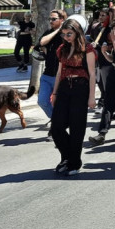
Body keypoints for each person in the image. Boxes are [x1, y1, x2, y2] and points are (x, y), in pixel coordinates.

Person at [50, 19, 97, 176]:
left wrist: (92, 97)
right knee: (56, 127)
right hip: (64, 87)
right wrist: (55, 92)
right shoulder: (62, 48)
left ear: (77, 33)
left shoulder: (87, 49)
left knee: (77, 127)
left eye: (69, 34)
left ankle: (74, 162)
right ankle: (68, 157)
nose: (66, 37)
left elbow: (92, 74)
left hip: (80, 88)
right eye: (64, 34)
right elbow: (59, 72)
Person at [37, 10, 66, 138]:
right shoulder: (49, 32)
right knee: (42, 101)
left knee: (59, 103)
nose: (51, 21)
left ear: (62, 20)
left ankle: (55, 127)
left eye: (54, 19)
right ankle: (57, 120)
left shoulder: (67, 35)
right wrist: (56, 30)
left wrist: (62, 30)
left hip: (61, 75)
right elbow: (41, 43)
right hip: (47, 74)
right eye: (50, 19)